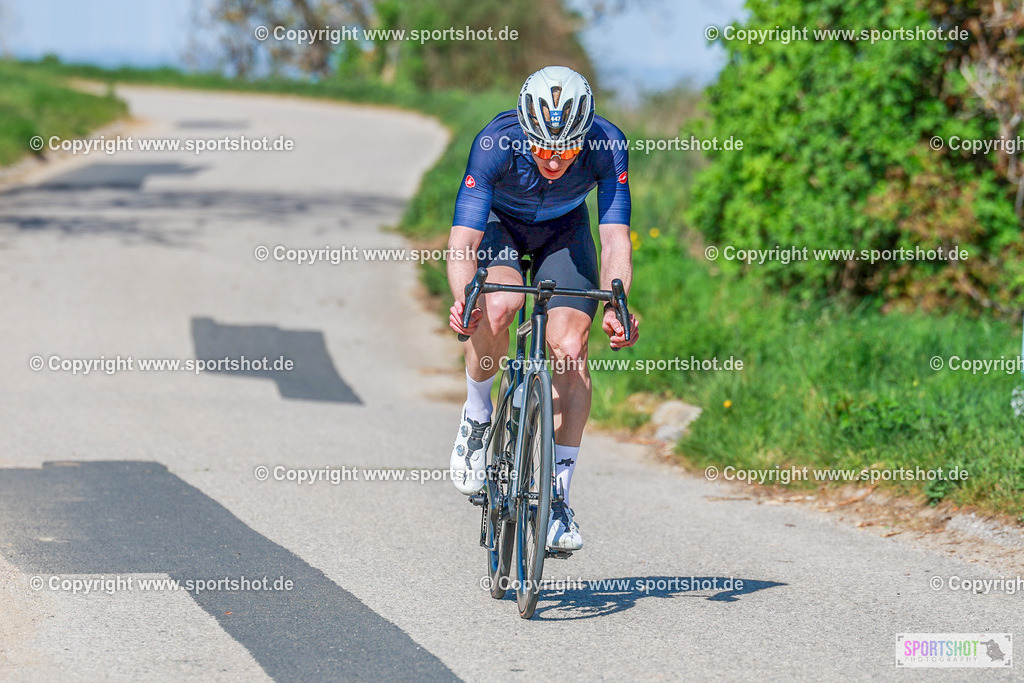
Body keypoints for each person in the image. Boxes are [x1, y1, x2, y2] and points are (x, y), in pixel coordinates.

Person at [447, 66, 639, 551]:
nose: (554, 159)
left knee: (570, 346)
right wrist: (463, 296)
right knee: (498, 306)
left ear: (585, 135)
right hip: (499, 227)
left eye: (568, 148)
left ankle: (555, 500)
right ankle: (476, 414)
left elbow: (615, 237)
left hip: (563, 232)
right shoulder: (495, 142)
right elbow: (463, 241)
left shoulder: (608, 143)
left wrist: (617, 300)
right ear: (525, 130)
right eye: (542, 146)